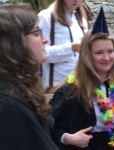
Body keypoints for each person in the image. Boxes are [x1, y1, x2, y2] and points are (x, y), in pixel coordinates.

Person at [50, 30, 114, 150]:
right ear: (87, 55)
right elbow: (51, 126)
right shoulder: (72, 90)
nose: (106, 58)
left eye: (110, 51)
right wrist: (68, 138)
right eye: (99, 52)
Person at [0, 5, 60, 150]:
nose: (45, 39)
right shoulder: (9, 105)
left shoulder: (20, 88)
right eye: (37, 33)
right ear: (14, 43)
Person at [38, 0, 88, 90]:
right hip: (56, 86)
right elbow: (41, 53)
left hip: (80, 83)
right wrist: (71, 48)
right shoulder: (46, 16)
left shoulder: (81, 19)